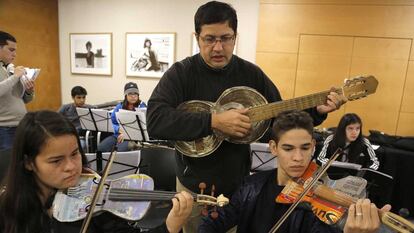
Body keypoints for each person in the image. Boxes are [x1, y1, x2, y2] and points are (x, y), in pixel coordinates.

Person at [146, 1, 346, 232]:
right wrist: (214, 121)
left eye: (226, 38)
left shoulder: (251, 74)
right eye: (210, 39)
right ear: (197, 37)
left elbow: (280, 119)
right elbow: (155, 120)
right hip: (193, 186)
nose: (218, 47)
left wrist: (316, 111)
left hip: (238, 186)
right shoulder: (181, 74)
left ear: (235, 37)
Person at [0, 110, 193, 233]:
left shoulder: (95, 196)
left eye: (75, 153)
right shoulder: (9, 207)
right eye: (56, 160)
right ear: (28, 163)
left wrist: (170, 225)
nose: (71, 166)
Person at [198, 110, 391, 233]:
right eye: (288, 149)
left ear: (314, 146)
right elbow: (215, 222)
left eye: (305, 148)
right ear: (273, 148)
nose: (298, 157)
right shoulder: (252, 185)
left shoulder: (319, 204)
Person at [0, 31, 35, 151]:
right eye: (11, 50)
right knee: (7, 166)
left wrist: (29, 90)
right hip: (4, 128)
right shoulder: (14, 73)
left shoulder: (10, 68)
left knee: (21, 164)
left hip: (20, 125)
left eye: (15, 50)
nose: (15, 54)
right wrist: (15, 77)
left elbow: (24, 99)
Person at [98, 82, 147, 152]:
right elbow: (111, 122)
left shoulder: (142, 107)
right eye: (130, 93)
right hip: (118, 135)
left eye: (135, 93)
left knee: (119, 151)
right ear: (125, 95)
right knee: (101, 148)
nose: (133, 96)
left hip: (134, 138)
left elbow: (144, 127)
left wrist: (127, 134)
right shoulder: (120, 106)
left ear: (138, 95)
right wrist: (118, 129)